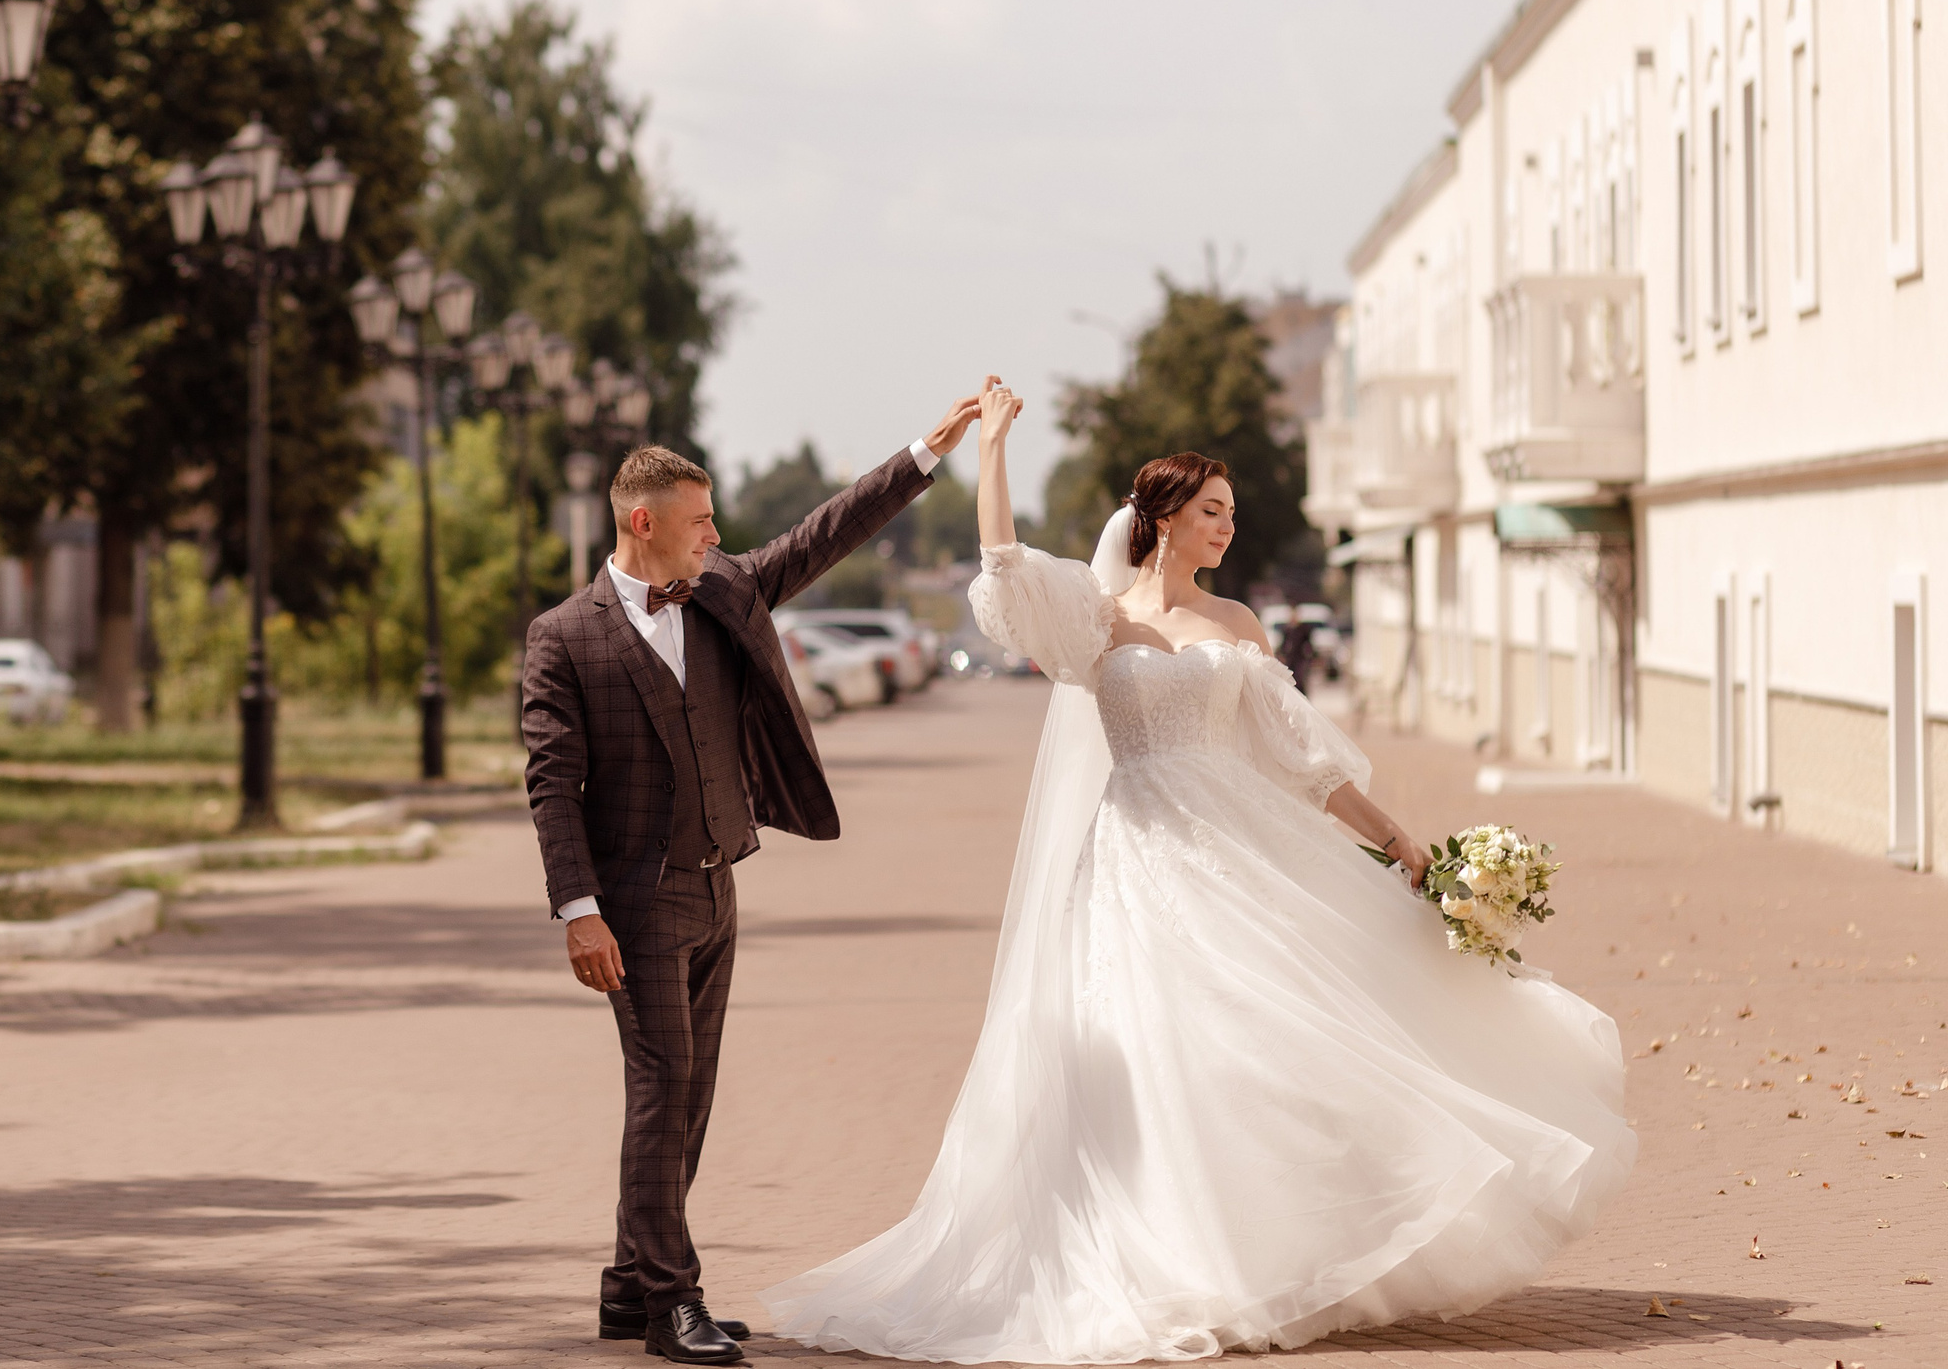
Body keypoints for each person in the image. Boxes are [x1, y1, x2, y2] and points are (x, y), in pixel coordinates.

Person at [762, 375, 1633, 1364]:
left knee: (1263, 1042)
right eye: (1213, 510)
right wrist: (992, 445)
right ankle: (1166, 1261)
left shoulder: (1239, 626)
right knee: (1155, 1052)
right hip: (1134, 862)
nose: (1228, 525)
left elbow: (1302, 760)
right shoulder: (1099, 621)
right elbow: (1002, 563)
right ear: (1165, 519)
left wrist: (1396, 837)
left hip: (1236, 852)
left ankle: (1263, 1257)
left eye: (1231, 512)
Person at [523, 392, 983, 1366]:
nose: (715, 534)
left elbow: (824, 533)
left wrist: (924, 452)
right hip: (634, 903)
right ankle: (670, 1301)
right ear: (642, 522)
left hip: (716, 886)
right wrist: (579, 911)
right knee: (662, 1088)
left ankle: (627, 1284)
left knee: (688, 1097)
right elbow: (552, 786)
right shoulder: (563, 637)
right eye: (699, 520)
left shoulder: (724, 589)